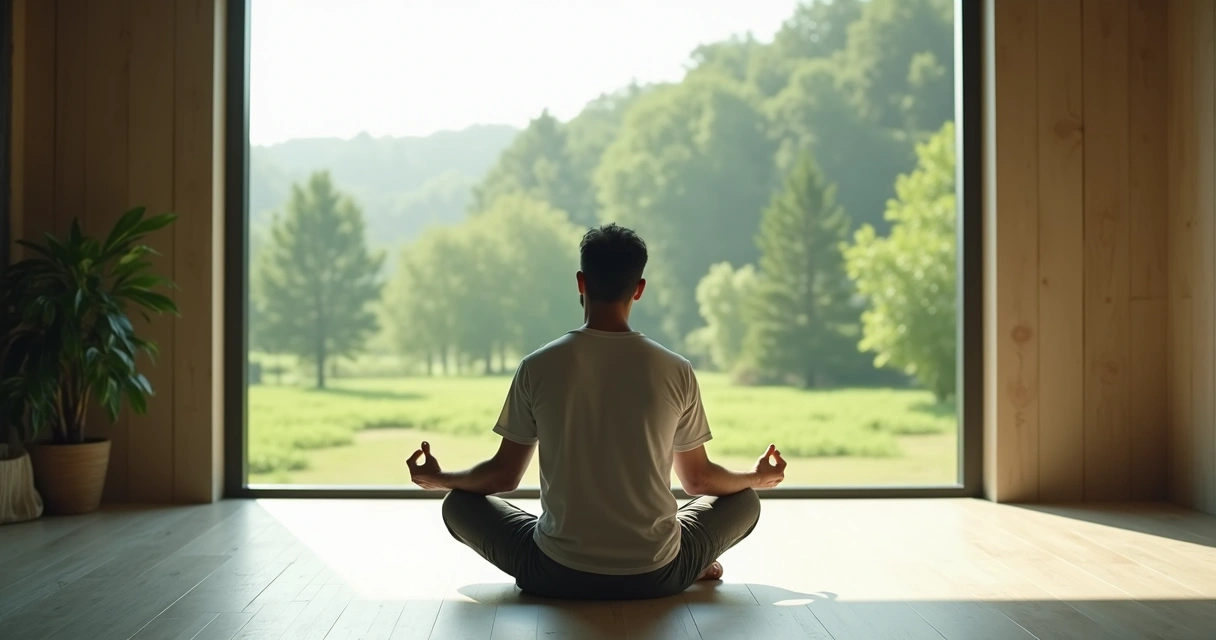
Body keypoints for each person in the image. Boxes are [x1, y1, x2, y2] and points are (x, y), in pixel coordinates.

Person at [406, 223, 787, 600]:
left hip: (555, 573)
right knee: (745, 500)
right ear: (639, 288)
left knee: (459, 503)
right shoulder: (676, 369)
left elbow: (503, 475)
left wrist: (439, 477)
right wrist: (757, 476)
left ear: (581, 282)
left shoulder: (537, 366)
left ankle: (579, 547)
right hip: (657, 574)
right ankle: (694, 561)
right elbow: (699, 481)